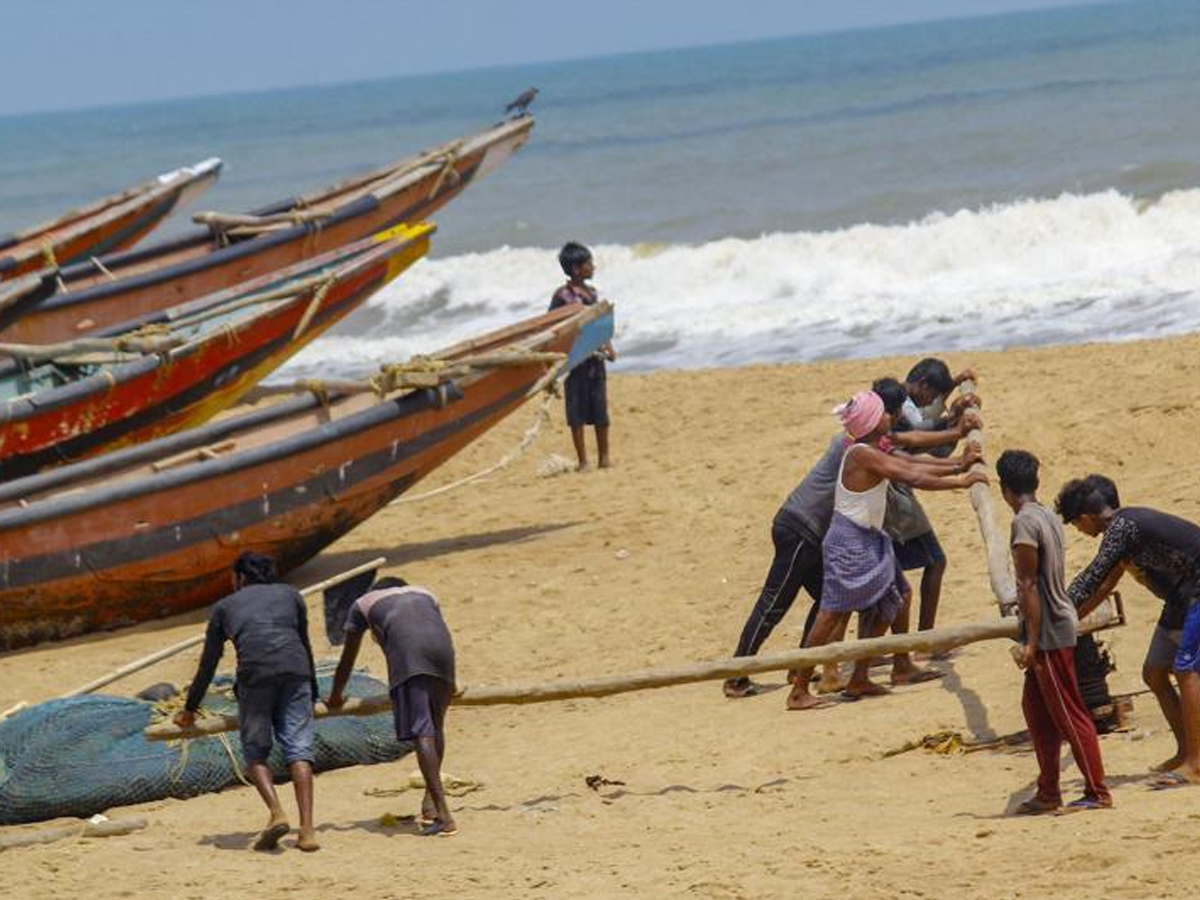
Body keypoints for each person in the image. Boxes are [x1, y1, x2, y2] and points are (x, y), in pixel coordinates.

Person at [787, 390, 987, 710]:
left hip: (869, 537)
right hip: (849, 540)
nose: (889, 416)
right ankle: (798, 689)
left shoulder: (874, 448)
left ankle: (869, 674)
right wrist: (961, 479)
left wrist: (957, 464)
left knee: (896, 597)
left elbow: (911, 462)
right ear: (871, 421)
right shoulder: (862, 454)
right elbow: (910, 475)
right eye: (882, 413)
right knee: (831, 613)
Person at [724, 379, 916, 698]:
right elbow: (905, 462)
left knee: (827, 602)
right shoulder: (853, 448)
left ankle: (801, 668)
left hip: (813, 533)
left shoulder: (860, 443)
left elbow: (909, 446)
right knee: (774, 603)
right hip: (801, 528)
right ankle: (736, 677)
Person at [1057, 476, 1200, 782]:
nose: (1081, 532)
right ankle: (1186, 750)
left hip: (1196, 593)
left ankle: (1196, 763)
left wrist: (1056, 609)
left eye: (1077, 525)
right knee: (1155, 672)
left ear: (1084, 518)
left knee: (1187, 671)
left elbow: (1094, 575)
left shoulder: (1122, 528)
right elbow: (1106, 583)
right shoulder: (1126, 531)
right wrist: (1067, 620)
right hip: (1181, 598)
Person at [174, 552, 320, 852]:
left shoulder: (225, 607)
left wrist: (189, 708)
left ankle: (277, 812)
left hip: (255, 677)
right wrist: (313, 690)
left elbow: (209, 664)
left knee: (255, 753)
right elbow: (304, 645)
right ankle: (307, 831)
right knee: (299, 750)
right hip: (297, 673)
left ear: (240, 578)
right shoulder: (292, 596)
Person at [998, 451, 1111, 814]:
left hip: (1047, 630)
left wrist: (1030, 642)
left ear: (1004, 488)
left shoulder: (1025, 524)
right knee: (1036, 709)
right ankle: (1048, 791)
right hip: (1051, 623)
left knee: (1069, 712)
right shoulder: (1046, 515)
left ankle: (1097, 791)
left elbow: (1028, 583)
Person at [326, 576, 458, 835]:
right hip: (445, 654)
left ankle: (444, 814)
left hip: (411, 657)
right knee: (436, 726)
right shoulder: (425, 592)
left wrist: (335, 697)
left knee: (422, 731)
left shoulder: (363, 603)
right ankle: (431, 803)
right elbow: (436, 629)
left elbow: (347, 659)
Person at [549, 242, 615, 470]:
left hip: (596, 360)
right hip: (575, 361)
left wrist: (608, 346)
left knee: (599, 407)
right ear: (577, 269)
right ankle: (583, 460)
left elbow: (600, 323)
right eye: (589, 263)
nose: (593, 267)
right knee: (576, 409)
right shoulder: (562, 296)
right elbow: (553, 327)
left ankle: (604, 457)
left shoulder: (592, 293)